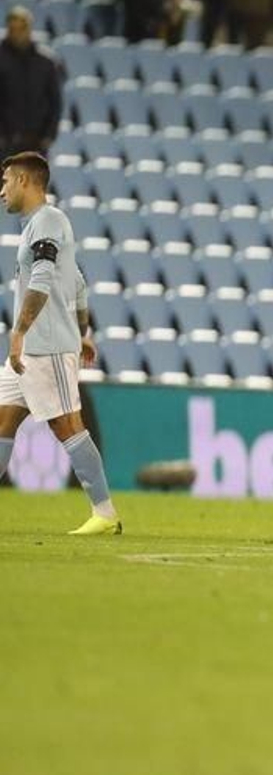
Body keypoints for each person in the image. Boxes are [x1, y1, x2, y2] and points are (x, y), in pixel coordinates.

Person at [0, 153, 120, 536]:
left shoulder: (48, 222)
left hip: (45, 346)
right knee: (2, 421)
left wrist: (18, 332)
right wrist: (84, 330)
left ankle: (104, 512)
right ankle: (104, 512)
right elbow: (79, 283)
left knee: (66, 424)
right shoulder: (40, 225)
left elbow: (44, 278)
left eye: (5, 181)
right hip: (36, 348)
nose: (1, 190)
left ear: (24, 181)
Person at [0, 6, 61, 156]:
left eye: (22, 27)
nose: (17, 32)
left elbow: (55, 102)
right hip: (5, 141)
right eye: (13, 28)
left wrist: (49, 135)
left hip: (36, 142)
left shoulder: (45, 61)